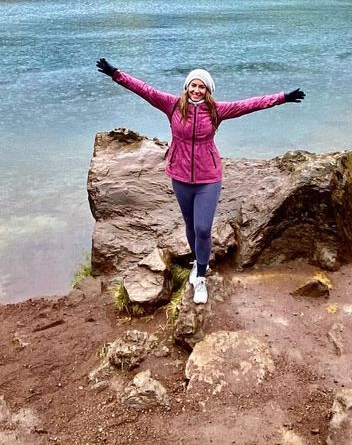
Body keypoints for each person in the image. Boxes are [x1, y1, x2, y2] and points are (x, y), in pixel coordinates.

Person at [96, 59, 305, 304]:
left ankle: (202, 277)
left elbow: (250, 104)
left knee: (203, 228)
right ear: (186, 88)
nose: (196, 90)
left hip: (208, 177)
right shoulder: (172, 105)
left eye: (202, 87)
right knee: (190, 224)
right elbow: (144, 89)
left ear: (208, 91)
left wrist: (282, 97)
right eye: (193, 86)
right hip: (180, 176)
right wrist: (116, 74)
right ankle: (198, 262)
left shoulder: (217, 110)